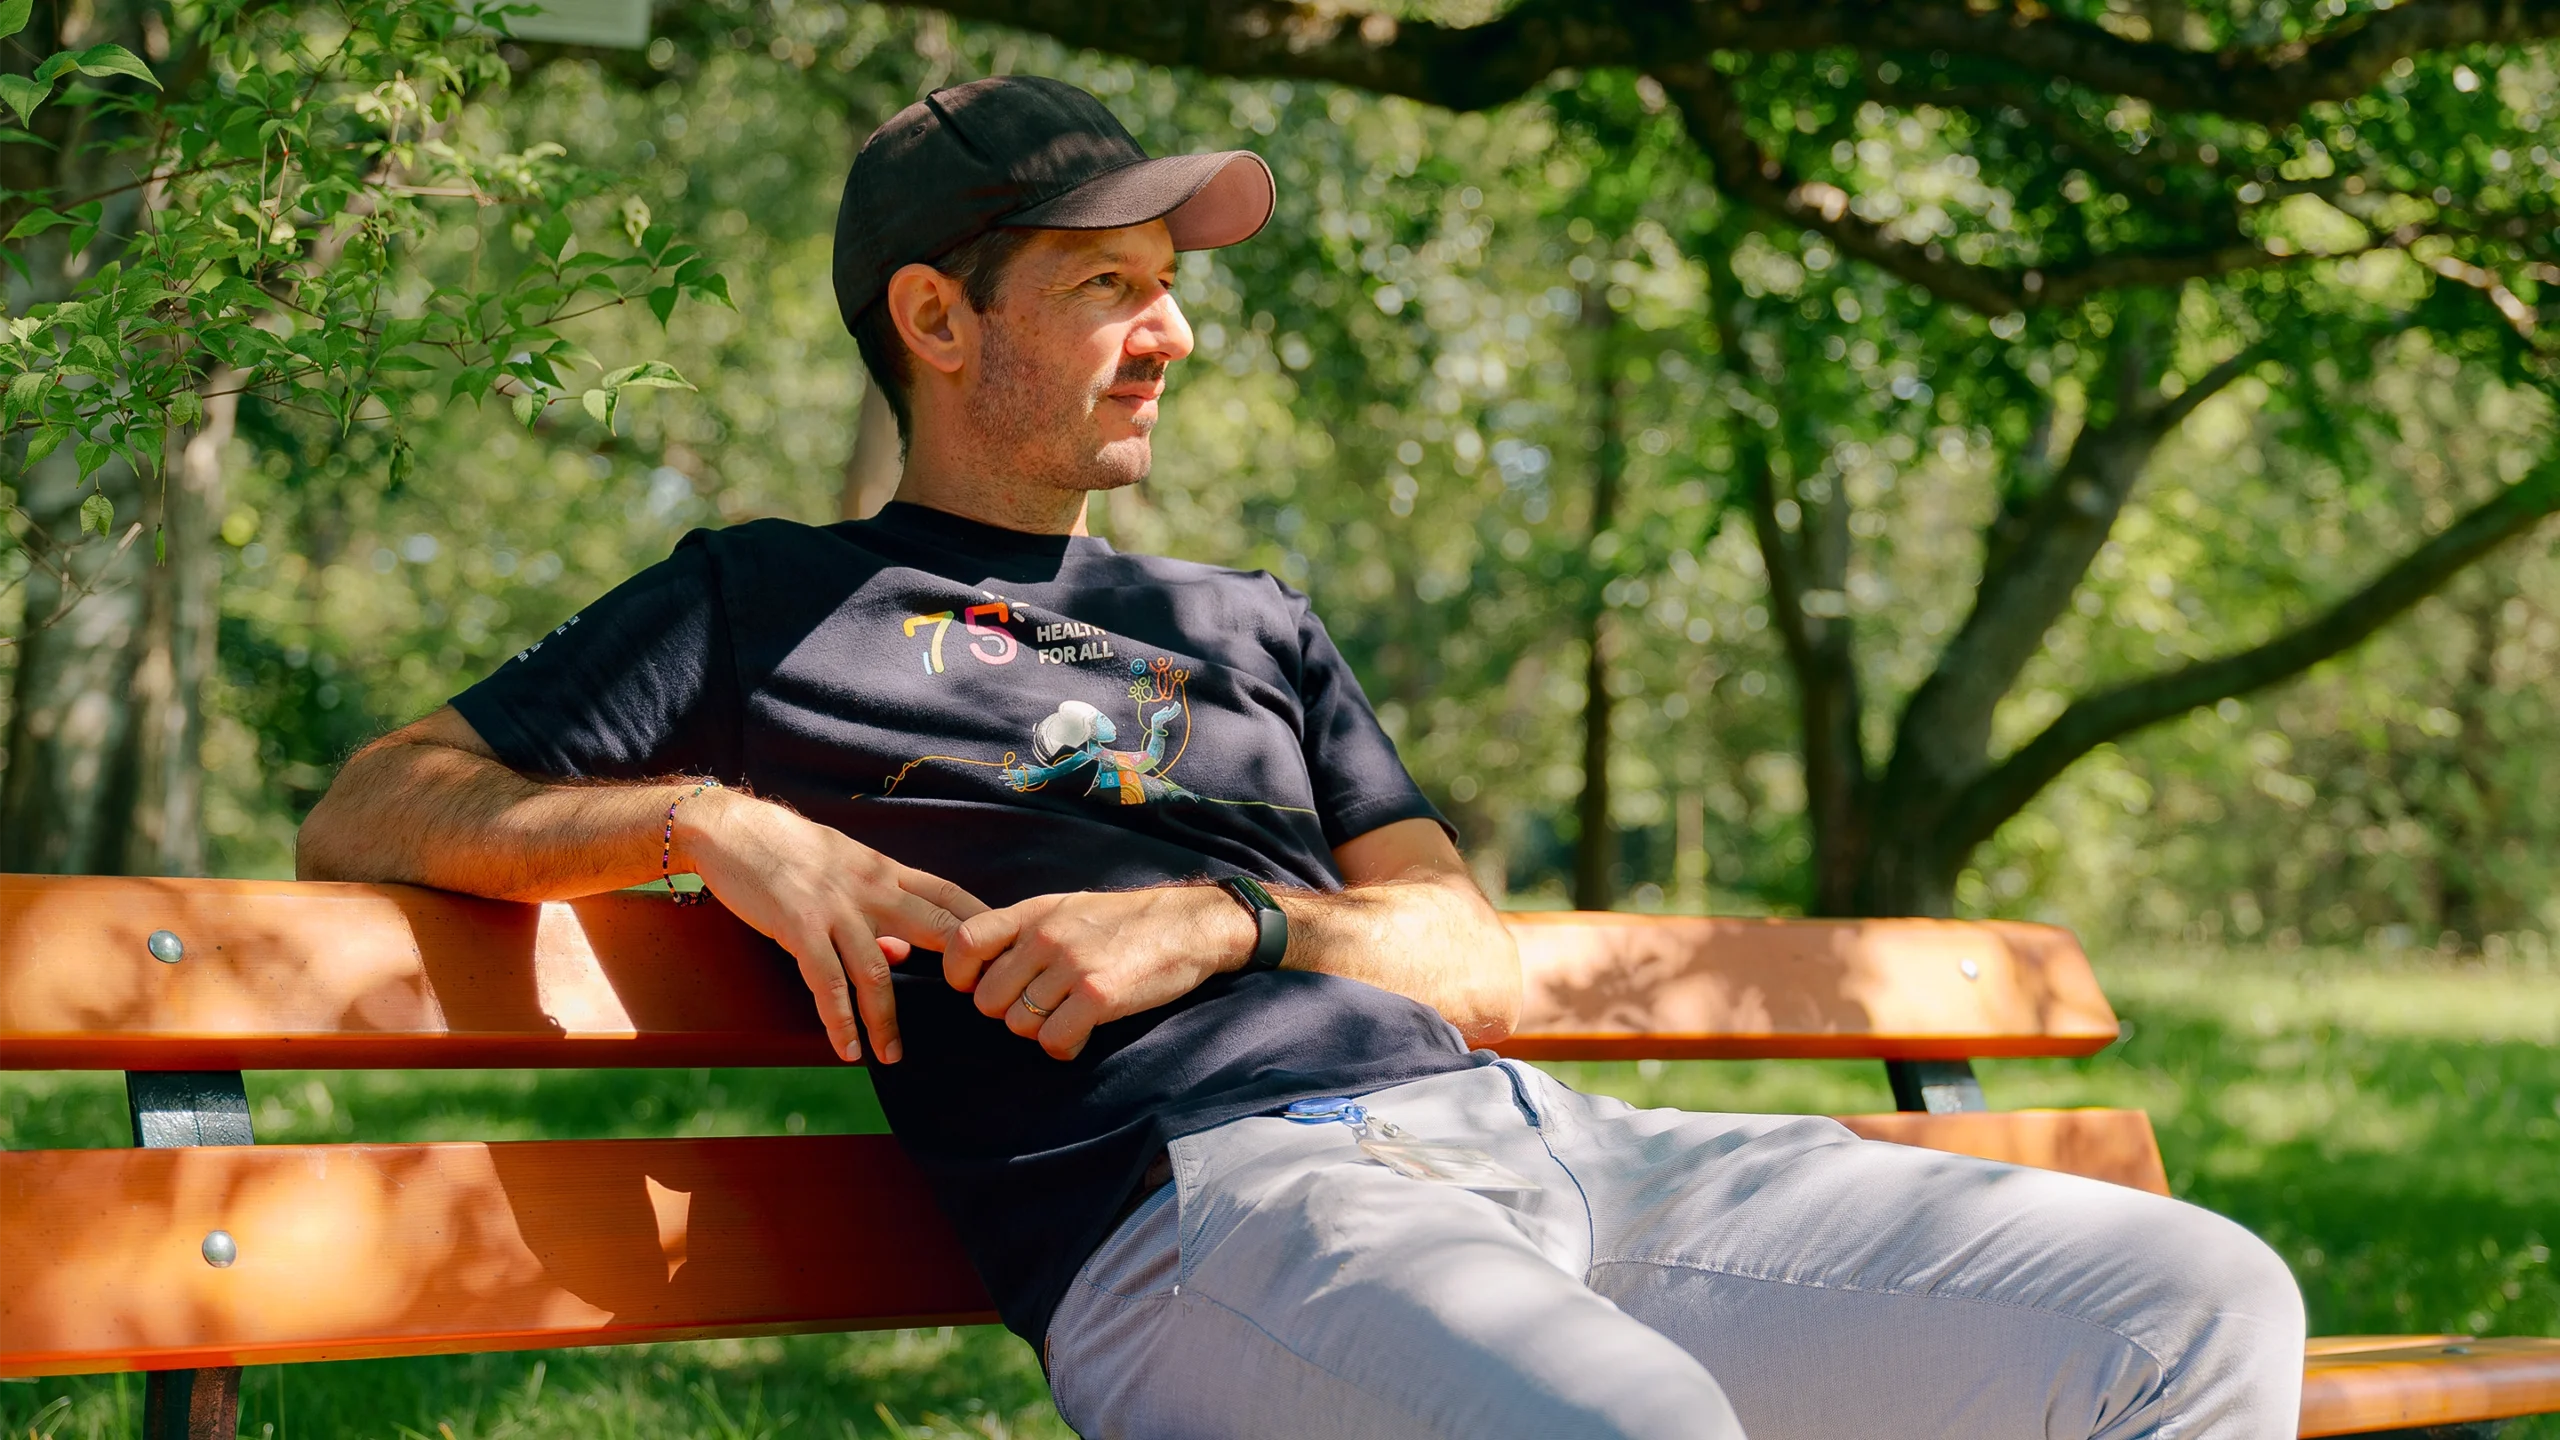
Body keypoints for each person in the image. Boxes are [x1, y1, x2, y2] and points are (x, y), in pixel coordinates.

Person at [298, 75, 2308, 1440]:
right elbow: (370, 808)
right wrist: (703, 818)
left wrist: (1229, 921)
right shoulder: (761, 602)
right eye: (1105, 287)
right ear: (933, 313)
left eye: (1168, 293)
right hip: (1209, 1219)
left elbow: (1465, 949)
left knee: (2193, 1307)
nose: (1167, 336)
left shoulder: (1241, 619)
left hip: (1548, 1156)